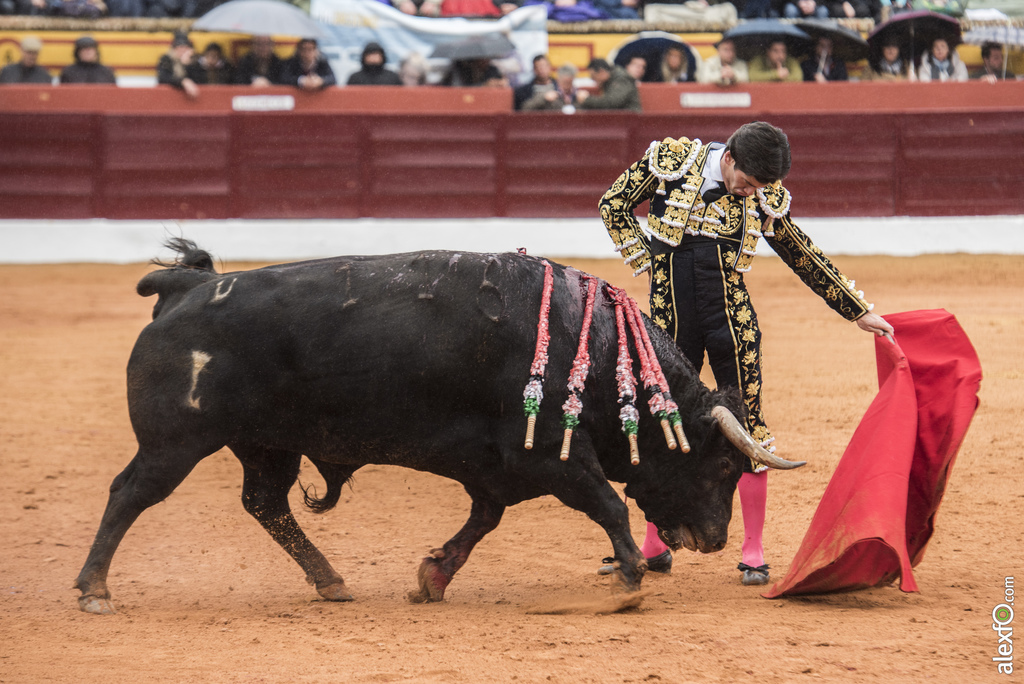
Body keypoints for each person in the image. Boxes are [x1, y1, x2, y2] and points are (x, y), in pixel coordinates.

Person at [598, 121, 893, 585]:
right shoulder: (673, 161)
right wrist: (648, 259)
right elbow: (612, 205)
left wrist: (856, 311)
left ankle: (752, 549)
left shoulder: (763, 193)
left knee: (749, 426)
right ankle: (654, 544)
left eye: (761, 187)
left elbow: (800, 252)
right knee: (662, 426)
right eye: (748, 183)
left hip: (730, 324)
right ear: (730, 157)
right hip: (669, 327)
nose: (751, 192)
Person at [577, 58, 642, 112]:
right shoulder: (610, 81)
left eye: (593, 76)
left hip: (630, 120)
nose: (593, 80)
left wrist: (586, 99)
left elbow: (612, 103)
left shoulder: (622, 80)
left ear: (601, 72)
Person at [156, 32, 204, 99]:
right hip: (168, 97)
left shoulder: (194, 61)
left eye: (186, 47)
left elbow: (200, 80)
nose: (183, 50)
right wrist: (182, 81)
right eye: (180, 47)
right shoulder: (166, 59)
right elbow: (163, 78)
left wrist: (188, 65)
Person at [441, 58, 507, 87]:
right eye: (482, 57)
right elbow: (459, 90)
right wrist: (483, 86)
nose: (487, 60)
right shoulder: (462, 70)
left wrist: (501, 83)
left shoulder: (492, 70)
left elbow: (501, 83)